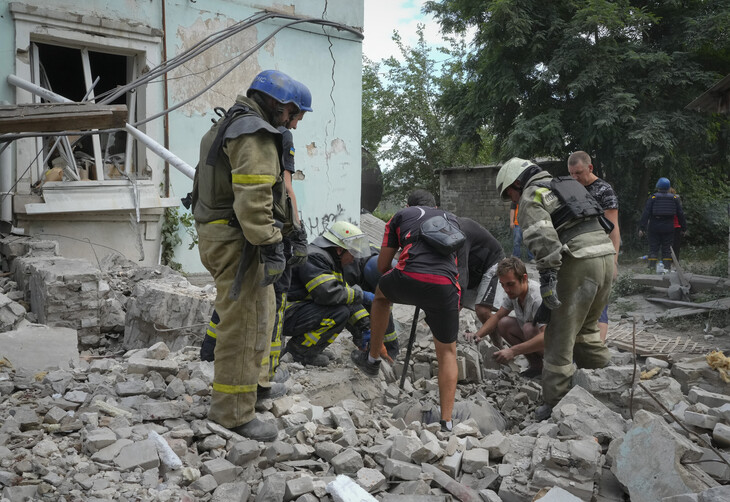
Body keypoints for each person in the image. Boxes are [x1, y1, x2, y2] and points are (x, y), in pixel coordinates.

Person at [192, 69, 305, 441]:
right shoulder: (253, 132)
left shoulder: (234, 122)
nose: (294, 124)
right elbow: (255, 201)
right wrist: (272, 243)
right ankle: (233, 414)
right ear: (278, 104)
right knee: (245, 324)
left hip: (230, 237)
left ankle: (254, 386)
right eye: (293, 116)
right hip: (240, 243)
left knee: (263, 312)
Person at [495, 157, 616, 420]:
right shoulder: (563, 185)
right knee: (587, 329)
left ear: (517, 182)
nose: (514, 201)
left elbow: (542, 237)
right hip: (605, 256)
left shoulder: (531, 194)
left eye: (510, 194)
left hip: (580, 262)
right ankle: (607, 386)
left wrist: (549, 277)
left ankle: (558, 404)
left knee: (560, 335)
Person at [351, 189, 461, 433]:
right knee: (447, 353)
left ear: (409, 204)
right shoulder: (451, 218)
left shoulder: (400, 216)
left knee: (381, 295)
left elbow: (381, 266)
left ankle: (372, 358)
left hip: (409, 276)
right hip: (446, 286)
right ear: (435, 205)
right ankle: (447, 422)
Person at [282, 221, 371, 366]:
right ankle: (300, 352)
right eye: (352, 252)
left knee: (342, 308)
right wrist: (363, 295)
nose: (354, 258)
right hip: (288, 313)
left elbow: (345, 296)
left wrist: (364, 327)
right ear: (339, 250)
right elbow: (328, 294)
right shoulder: (315, 258)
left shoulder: (330, 261)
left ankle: (312, 348)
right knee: (339, 313)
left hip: (299, 311)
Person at [567, 151, 620, 343]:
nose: (575, 177)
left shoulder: (604, 191)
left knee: (599, 305)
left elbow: (613, 228)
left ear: (590, 168)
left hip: (602, 254)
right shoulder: (570, 190)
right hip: (579, 255)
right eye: (571, 173)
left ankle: (598, 349)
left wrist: (614, 261)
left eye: (578, 173)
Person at [466, 257, 545, 378]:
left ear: (524, 278)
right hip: (539, 342)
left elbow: (546, 337)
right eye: (502, 285)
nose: (506, 289)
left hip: (555, 347)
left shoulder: (536, 297)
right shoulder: (514, 294)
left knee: (528, 328)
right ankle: (537, 366)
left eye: (510, 284)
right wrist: (478, 335)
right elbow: (497, 316)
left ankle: (550, 367)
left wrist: (513, 351)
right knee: (503, 323)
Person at [343, 245, 400, 360]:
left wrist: (391, 348)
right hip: (356, 290)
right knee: (359, 315)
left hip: (377, 281)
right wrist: (364, 330)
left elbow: (385, 313)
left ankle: (391, 351)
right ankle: (367, 350)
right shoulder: (348, 270)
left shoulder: (383, 261)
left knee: (384, 312)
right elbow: (349, 305)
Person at [456, 217, 506, 326]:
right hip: (474, 267)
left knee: (483, 310)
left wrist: (458, 304)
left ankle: (498, 343)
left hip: (492, 262)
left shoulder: (460, 232)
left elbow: (462, 269)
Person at [639, 177, 686, 273]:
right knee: (667, 248)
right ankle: (667, 269)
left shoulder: (653, 198)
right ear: (668, 187)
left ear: (658, 186)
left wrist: (642, 228)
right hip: (669, 227)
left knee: (653, 248)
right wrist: (684, 228)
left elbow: (646, 213)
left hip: (654, 227)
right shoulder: (674, 198)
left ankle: (651, 269)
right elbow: (680, 214)